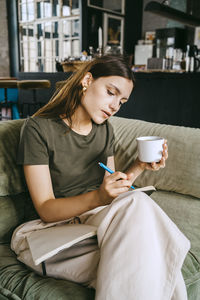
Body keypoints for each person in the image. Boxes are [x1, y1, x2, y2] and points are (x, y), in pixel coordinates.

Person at [11, 55, 190, 300]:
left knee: (145, 248)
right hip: (52, 230)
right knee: (153, 254)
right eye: (110, 92)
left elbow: (112, 187)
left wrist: (139, 166)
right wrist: (99, 196)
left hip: (95, 223)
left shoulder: (105, 130)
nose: (116, 106)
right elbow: (46, 209)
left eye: (122, 100)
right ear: (86, 81)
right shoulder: (38, 129)